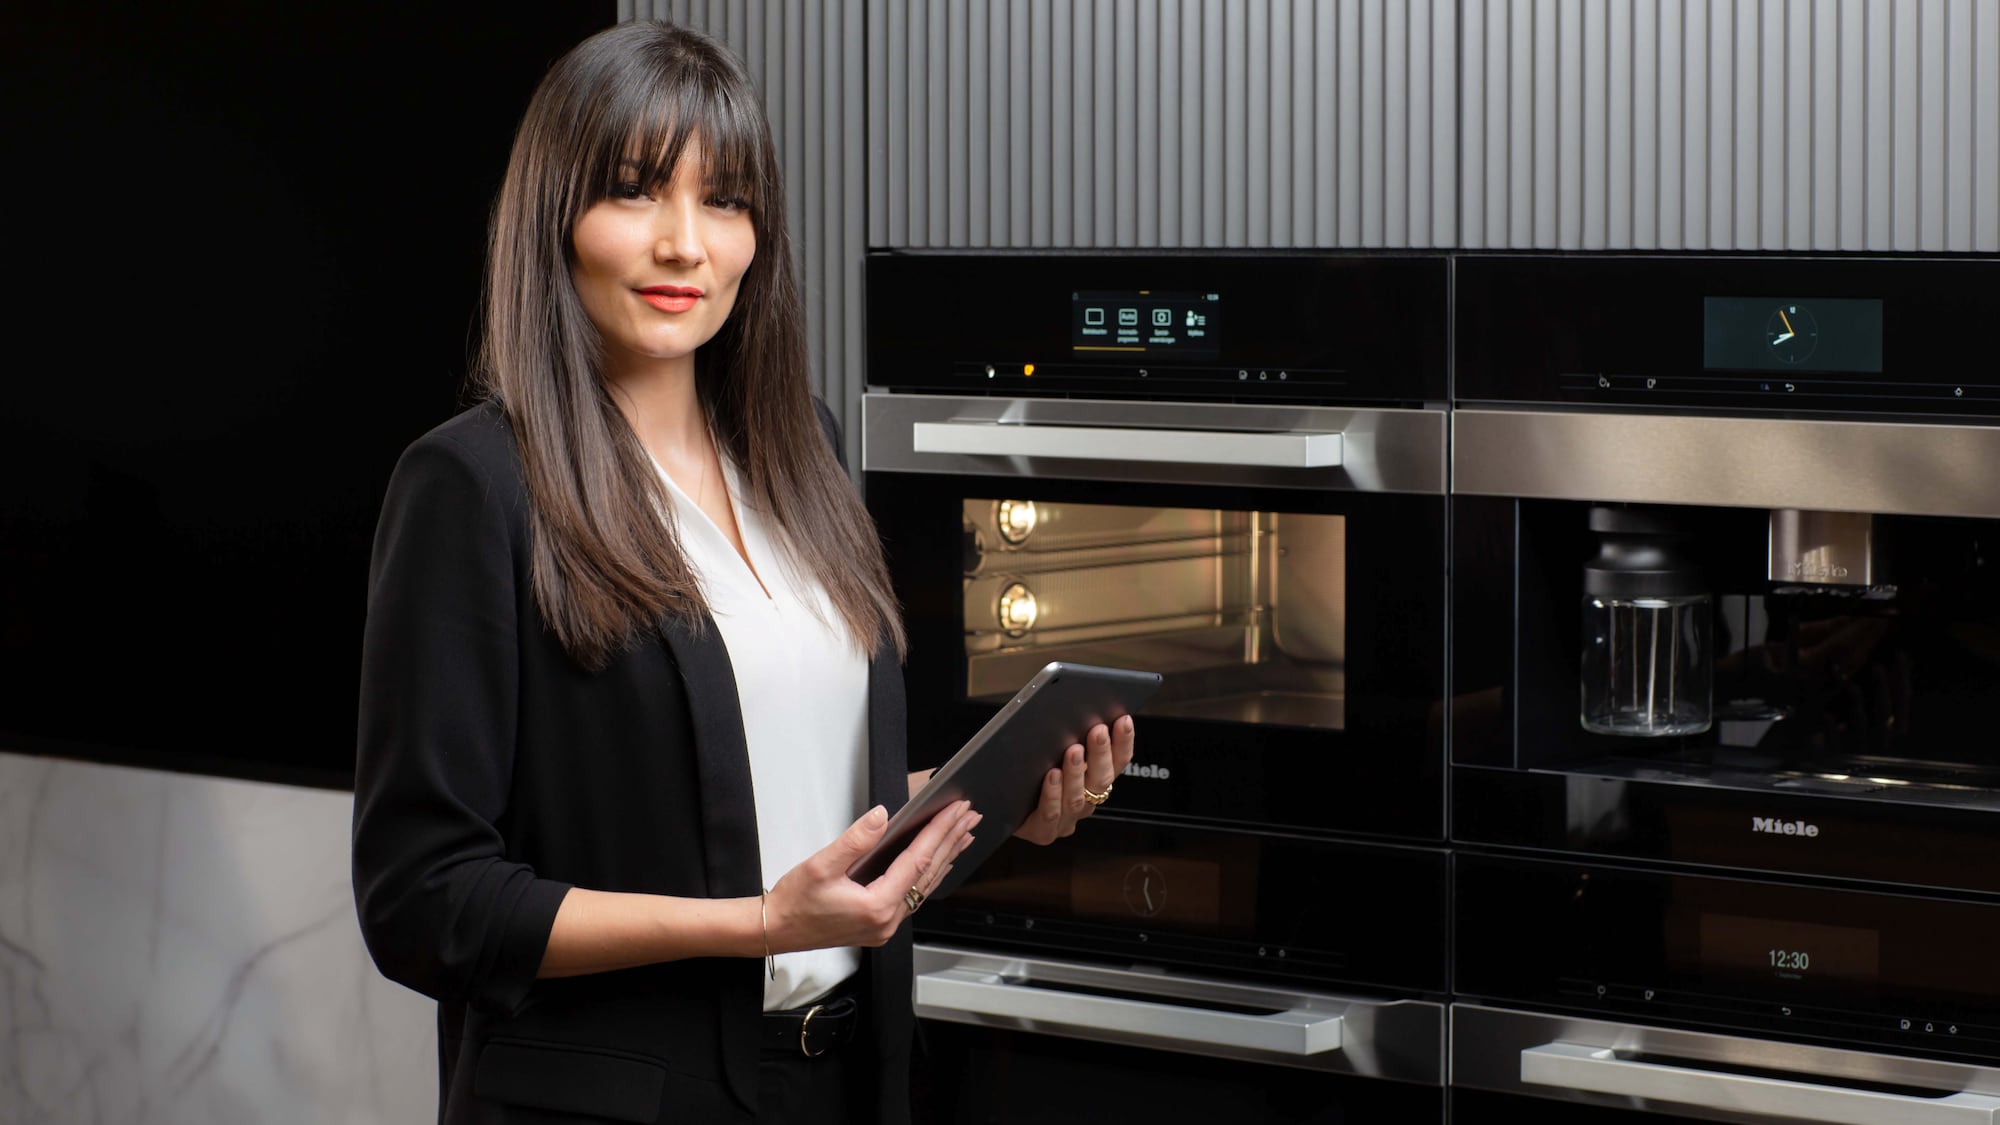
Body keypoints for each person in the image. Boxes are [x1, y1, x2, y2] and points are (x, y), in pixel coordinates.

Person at [350, 21, 1135, 1125]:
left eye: (723, 200)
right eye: (634, 192)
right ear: (554, 224)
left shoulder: (800, 454)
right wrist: (757, 924)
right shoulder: (473, 486)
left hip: (845, 1081)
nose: (686, 245)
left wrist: (987, 809)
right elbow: (420, 901)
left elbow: (797, 806)